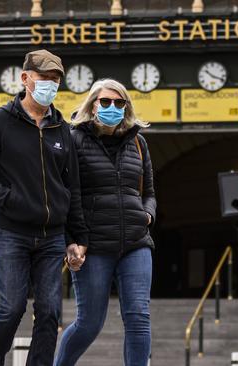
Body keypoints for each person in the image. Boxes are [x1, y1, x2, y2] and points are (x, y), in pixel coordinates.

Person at [0, 49, 88, 366]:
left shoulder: (62, 130)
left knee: (50, 312)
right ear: (25, 79)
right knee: (12, 308)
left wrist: (77, 238)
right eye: (44, 78)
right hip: (11, 232)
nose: (50, 85)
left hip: (51, 236)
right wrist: (11, 198)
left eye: (55, 81)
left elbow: (72, 188)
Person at [54, 79, 157, 366]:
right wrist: (71, 240)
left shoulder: (138, 142)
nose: (113, 107)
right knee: (89, 323)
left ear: (126, 107)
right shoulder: (74, 140)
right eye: (106, 102)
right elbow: (65, 195)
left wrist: (147, 215)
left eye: (119, 103)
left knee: (139, 318)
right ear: (93, 104)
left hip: (135, 244)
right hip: (94, 245)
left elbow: (148, 192)